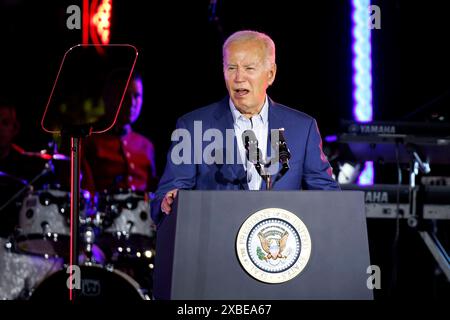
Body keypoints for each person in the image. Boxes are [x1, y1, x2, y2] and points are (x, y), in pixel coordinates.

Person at [152, 30, 340, 226]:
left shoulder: (302, 128)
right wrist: (169, 201)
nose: (239, 77)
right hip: (214, 247)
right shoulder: (193, 127)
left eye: (249, 68)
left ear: (271, 74)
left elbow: (327, 197)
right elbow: (163, 200)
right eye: (231, 67)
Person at [82, 72, 158, 195]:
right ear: (107, 97)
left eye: (137, 96)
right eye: (125, 96)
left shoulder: (146, 145)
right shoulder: (87, 139)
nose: (132, 103)